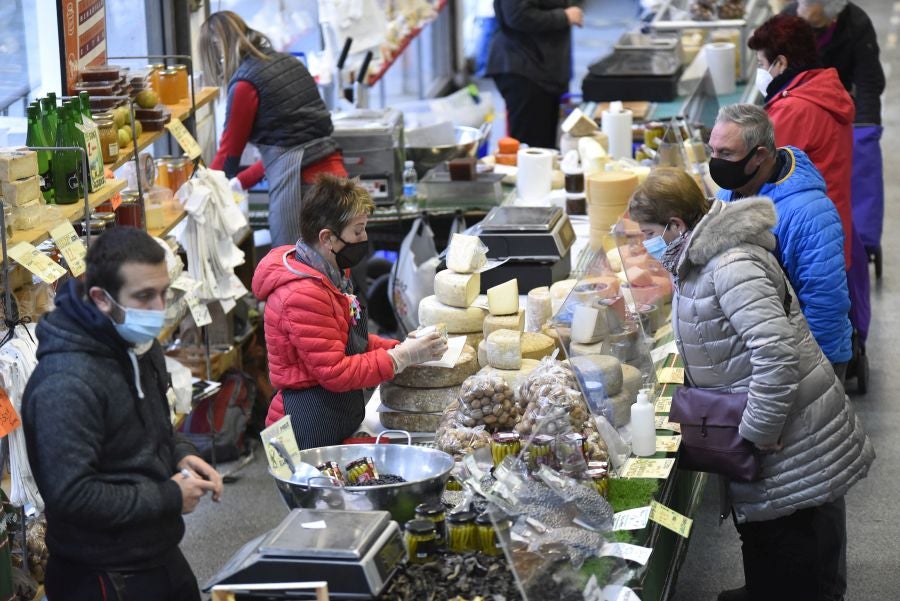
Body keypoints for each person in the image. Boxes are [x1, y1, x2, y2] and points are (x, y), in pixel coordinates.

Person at [629, 168, 874, 601]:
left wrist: (757, 432)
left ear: (676, 225)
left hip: (790, 435)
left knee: (796, 542)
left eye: (650, 232)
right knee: (768, 535)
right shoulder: (700, 258)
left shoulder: (731, 266)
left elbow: (776, 354)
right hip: (772, 427)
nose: (647, 242)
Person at [21, 227, 223, 601]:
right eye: (144, 297)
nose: (159, 309)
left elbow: (153, 426)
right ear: (101, 298)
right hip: (102, 576)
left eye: (163, 293)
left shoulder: (138, 345)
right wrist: (169, 497)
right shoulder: (64, 383)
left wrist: (181, 453)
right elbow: (74, 496)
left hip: (157, 553)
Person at [252, 175, 447, 448]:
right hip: (302, 429)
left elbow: (349, 341)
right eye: (357, 231)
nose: (364, 238)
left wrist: (403, 346)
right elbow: (335, 371)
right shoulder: (302, 294)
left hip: (334, 417)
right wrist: (400, 357)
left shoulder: (333, 273)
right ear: (327, 238)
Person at [708, 104, 852, 375]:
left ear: (759, 156)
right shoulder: (730, 195)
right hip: (763, 355)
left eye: (726, 153)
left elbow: (826, 302)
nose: (716, 161)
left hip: (805, 361)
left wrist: (813, 369)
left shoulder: (810, 213)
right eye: (712, 151)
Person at [199, 11, 348, 247]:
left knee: (294, 268)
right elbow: (290, 148)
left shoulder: (245, 84)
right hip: (339, 182)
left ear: (217, 52)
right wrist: (240, 182)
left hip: (305, 191)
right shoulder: (287, 61)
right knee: (338, 272)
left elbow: (228, 157)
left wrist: (201, 189)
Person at [747, 13, 855, 269]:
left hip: (807, 241)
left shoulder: (794, 109)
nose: (760, 72)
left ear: (780, 63)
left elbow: (757, 174)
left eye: (761, 64)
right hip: (829, 228)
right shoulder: (822, 90)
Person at [485, 0, 584, 148]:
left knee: (545, 149)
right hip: (526, 69)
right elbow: (516, 15)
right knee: (531, 151)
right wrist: (564, 16)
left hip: (543, 68)